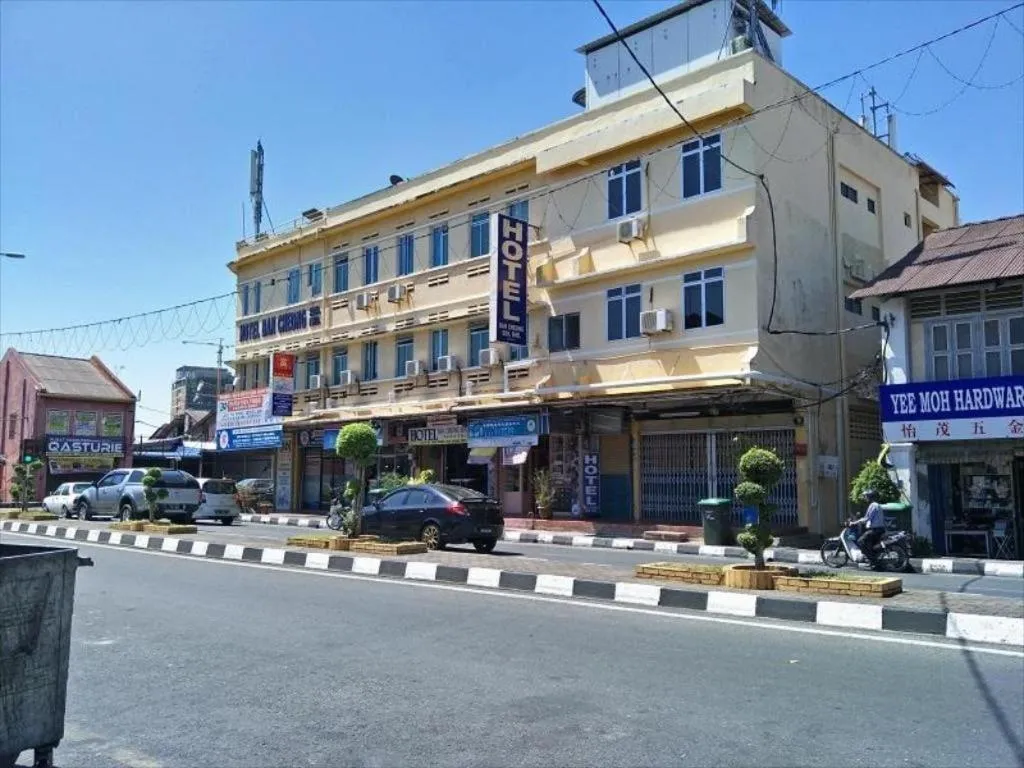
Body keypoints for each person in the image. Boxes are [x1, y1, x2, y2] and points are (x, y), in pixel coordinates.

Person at [850, 489, 886, 567]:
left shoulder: (873, 505)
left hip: (876, 530)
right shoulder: (877, 505)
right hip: (880, 529)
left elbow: (867, 518)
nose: (865, 498)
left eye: (866, 496)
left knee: (860, 541)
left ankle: (872, 561)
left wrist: (854, 522)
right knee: (869, 544)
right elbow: (871, 519)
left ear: (870, 497)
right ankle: (874, 557)